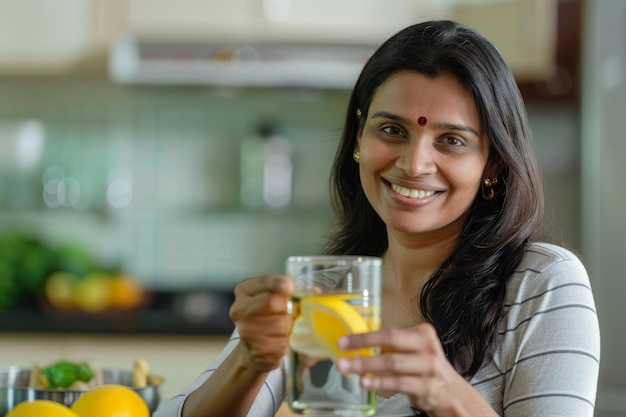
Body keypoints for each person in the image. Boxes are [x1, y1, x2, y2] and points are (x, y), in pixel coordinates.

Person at [155, 20, 600, 417]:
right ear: (358, 140)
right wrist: (248, 360)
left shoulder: (543, 284)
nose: (414, 163)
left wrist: (450, 398)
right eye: (392, 131)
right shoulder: (327, 290)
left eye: (450, 140)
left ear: (494, 165)